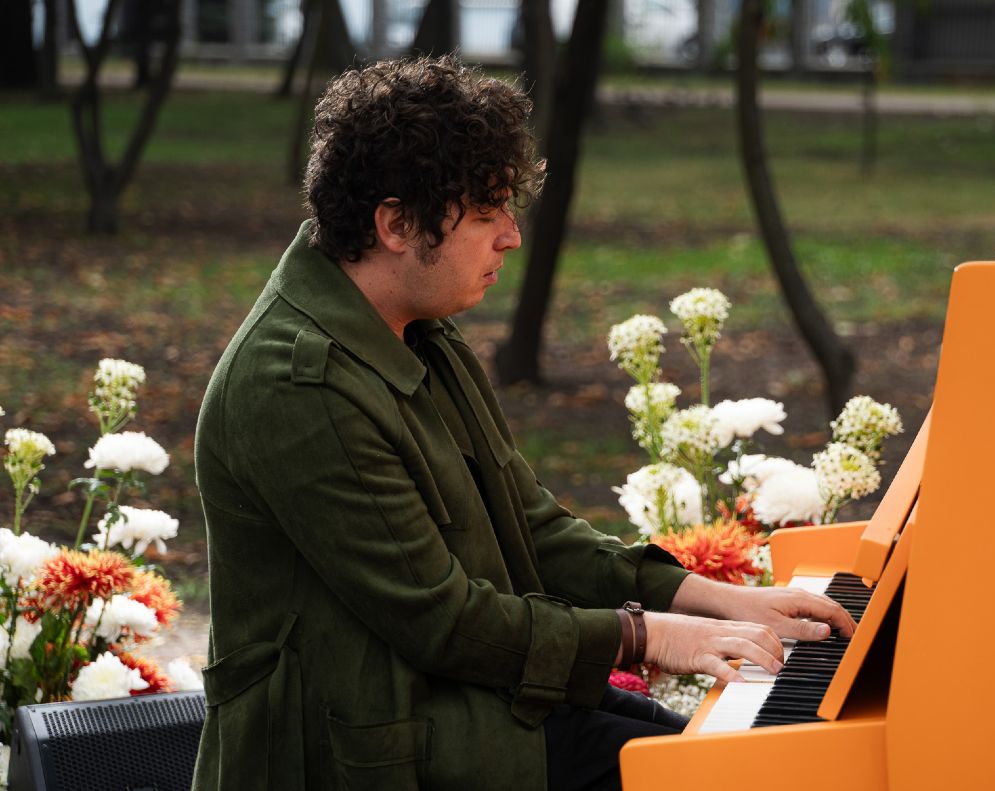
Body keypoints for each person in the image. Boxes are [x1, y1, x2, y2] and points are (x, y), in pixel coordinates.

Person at [192, 55, 854, 791]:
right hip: (363, 754)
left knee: (734, 764)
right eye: (485, 215)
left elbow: (529, 524)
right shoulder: (298, 384)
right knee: (721, 777)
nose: (511, 237)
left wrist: (709, 596)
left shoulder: (410, 326)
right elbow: (441, 619)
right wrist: (648, 635)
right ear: (395, 225)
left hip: (463, 710)